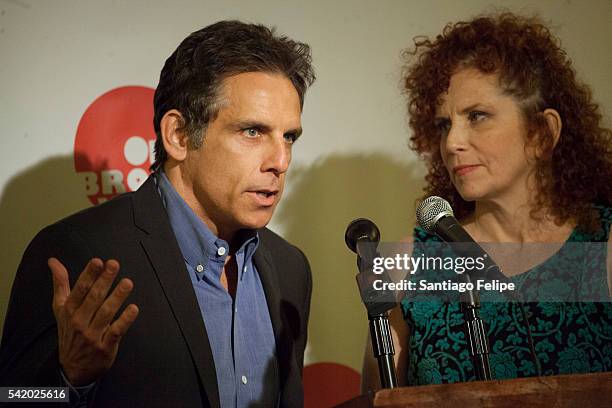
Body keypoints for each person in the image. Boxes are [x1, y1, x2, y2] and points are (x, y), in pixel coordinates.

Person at [0, 20, 315, 407]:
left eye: (289, 137)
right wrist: (71, 379)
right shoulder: (77, 255)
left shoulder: (290, 268)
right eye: (252, 132)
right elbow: (15, 399)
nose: (281, 161)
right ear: (179, 136)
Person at [362, 12, 612, 390]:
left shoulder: (603, 246)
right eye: (444, 124)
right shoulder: (411, 263)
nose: (452, 143)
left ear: (542, 133)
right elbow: (377, 400)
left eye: (477, 116)